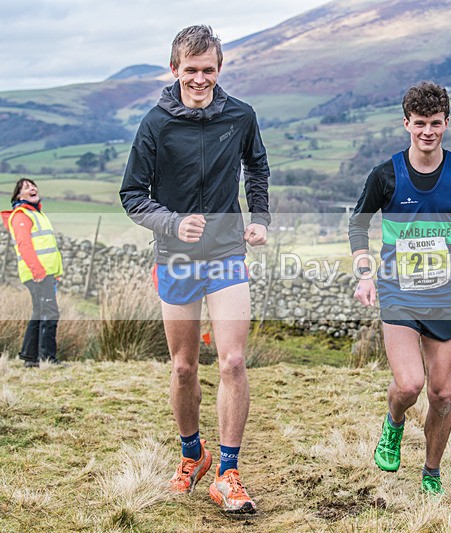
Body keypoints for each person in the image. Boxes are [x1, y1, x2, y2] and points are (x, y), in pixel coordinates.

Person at [119, 25, 270, 514]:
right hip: (177, 257)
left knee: (231, 362)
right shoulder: (155, 124)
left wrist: (260, 218)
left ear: (219, 69)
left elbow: (258, 169)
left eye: (208, 70)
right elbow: (132, 195)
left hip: (227, 252)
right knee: (184, 367)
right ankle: (192, 456)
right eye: (191, 70)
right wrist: (171, 223)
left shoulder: (241, 116)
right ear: (174, 69)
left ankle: (228, 473)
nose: (200, 79)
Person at [349, 81, 451, 495]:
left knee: (442, 393)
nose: (427, 131)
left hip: (444, 295)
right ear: (406, 124)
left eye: (435, 123)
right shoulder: (386, 175)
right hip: (398, 292)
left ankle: (431, 472)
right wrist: (365, 273)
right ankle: (394, 422)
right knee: (410, 385)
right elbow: (358, 225)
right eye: (419, 123)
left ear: (446, 123)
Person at [1, 179, 63, 368]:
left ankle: (29, 357)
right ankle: (47, 359)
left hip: (46, 273)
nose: (32, 188)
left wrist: (56, 272)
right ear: (19, 196)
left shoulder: (37, 214)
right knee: (50, 313)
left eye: (33, 185)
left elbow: (48, 246)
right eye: (26, 187)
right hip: (37, 274)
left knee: (40, 312)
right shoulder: (21, 216)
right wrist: (38, 271)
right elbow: (24, 246)